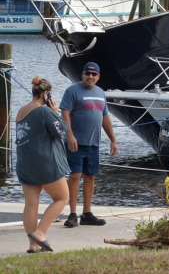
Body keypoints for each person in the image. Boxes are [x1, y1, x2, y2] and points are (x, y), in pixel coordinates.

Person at [60, 61, 118, 228]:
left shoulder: (100, 93)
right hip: (76, 143)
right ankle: (72, 213)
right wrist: (69, 135)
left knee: (90, 177)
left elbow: (105, 117)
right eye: (88, 73)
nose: (90, 76)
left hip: (94, 143)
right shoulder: (72, 91)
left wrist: (113, 140)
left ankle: (86, 213)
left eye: (94, 74)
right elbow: (65, 113)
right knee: (74, 176)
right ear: (82, 74)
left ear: (98, 77)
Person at [16, 76, 69, 254]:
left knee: (31, 204)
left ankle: (33, 245)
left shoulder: (21, 111)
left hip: (25, 164)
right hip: (45, 163)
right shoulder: (44, 112)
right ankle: (39, 233)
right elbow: (61, 132)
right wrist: (55, 112)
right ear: (46, 95)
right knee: (62, 198)